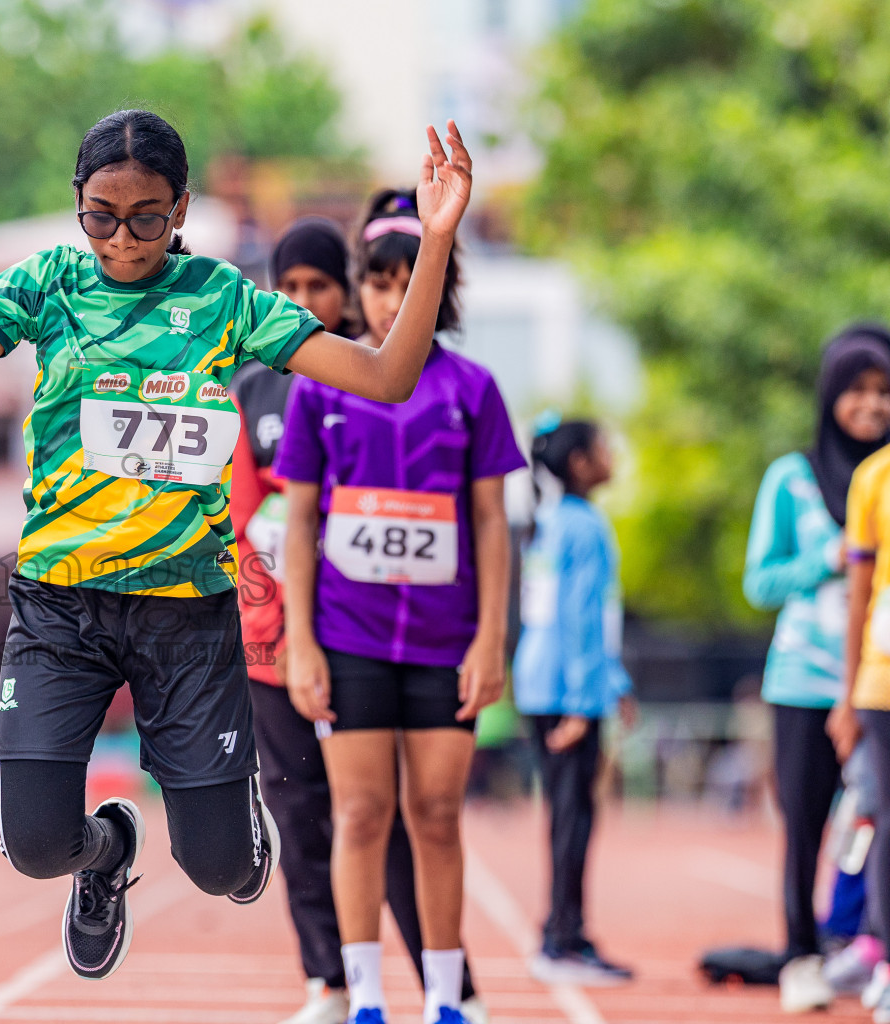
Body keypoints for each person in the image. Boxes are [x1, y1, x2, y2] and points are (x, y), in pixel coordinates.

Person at [0, 110, 474, 981]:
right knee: (36, 845)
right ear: (78, 205)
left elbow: (385, 377)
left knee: (223, 870)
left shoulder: (222, 299)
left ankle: (226, 821)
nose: (122, 239)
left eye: (147, 217)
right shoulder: (47, 285)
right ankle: (106, 853)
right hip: (60, 604)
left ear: (180, 207)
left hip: (186, 613)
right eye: (101, 216)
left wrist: (439, 239)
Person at [230, 217, 485, 1024]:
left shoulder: (393, 378)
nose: (304, 300)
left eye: (319, 286)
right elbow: (252, 512)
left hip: (399, 633)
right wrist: (278, 624)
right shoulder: (256, 387)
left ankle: (450, 989)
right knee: (311, 812)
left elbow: (474, 516)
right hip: (289, 636)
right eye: (290, 287)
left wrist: (491, 635)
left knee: (416, 819)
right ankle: (336, 984)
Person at [278, 189, 521, 1024]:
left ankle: (448, 1001)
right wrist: (301, 643)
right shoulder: (324, 385)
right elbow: (300, 520)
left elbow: (492, 522)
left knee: (439, 814)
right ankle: (367, 998)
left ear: (437, 286)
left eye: (407, 278)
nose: (389, 295)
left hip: (445, 641)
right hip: (347, 637)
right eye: (378, 281)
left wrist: (493, 639)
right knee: (360, 811)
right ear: (361, 287)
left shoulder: (474, 389)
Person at [745, 329, 890, 1010]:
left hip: (878, 683)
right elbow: (759, 583)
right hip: (803, 681)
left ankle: (864, 947)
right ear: (831, 394)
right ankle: (801, 954)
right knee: (805, 827)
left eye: (884, 392)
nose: (872, 405)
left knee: (876, 823)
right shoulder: (791, 478)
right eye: (858, 390)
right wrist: (824, 561)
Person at [513, 415, 637, 986]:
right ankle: (562, 939)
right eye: (606, 446)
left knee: (568, 814)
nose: (613, 455)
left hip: (544, 683)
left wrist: (615, 686)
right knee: (573, 818)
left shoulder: (554, 520)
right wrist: (586, 705)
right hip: (565, 690)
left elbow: (587, 620)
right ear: (582, 463)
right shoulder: (584, 526)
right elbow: (580, 620)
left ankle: (566, 932)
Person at [826, 324, 890, 1024]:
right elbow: (860, 600)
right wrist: (845, 695)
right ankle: (882, 956)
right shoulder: (875, 479)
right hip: (882, 683)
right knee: (884, 819)